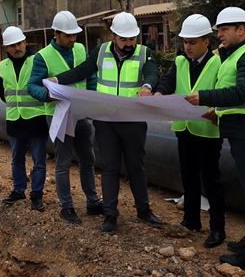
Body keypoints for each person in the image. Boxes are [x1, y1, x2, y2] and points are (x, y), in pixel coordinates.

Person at [53, 12, 164, 233]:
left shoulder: (144, 53)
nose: (129, 44)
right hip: (106, 122)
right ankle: (110, 215)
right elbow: (82, 71)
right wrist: (57, 80)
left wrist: (147, 87)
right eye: (124, 39)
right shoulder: (101, 52)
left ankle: (143, 211)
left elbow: (153, 73)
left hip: (133, 121)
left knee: (136, 167)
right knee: (110, 168)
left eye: (132, 39)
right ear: (114, 36)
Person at [185, 7, 245, 270]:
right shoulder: (234, 56)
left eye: (225, 29)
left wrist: (207, 98)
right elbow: (234, 95)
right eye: (219, 30)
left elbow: (244, 92)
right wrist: (218, 111)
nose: (220, 34)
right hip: (242, 133)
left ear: (242, 30)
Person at [154, 14, 226, 247]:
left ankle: (217, 229)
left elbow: (224, 92)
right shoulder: (180, 62)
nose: (188, 46)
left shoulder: (218, 63)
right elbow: (168, 81)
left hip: (207, 132)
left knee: (211, 179)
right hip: (184, 128)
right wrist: (158, 93)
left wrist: (216, 110)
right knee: (188, 176)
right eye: (185, 42)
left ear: (207, 41)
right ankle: (191, 220)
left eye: (193, 42)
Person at [28, 11, 103, 224]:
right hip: (58, 114)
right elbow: (32, 85)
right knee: (63, 162)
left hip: (81, 114)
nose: (72, 39)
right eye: (68, 36)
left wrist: (91, 96)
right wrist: (47, 95)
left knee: (88, 159)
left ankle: (92, 201)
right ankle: (66, 206)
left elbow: (90, 75)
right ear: (56, 34)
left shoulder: (80, 49)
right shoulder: (43, 56)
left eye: (74, 35)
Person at [0, 26, 49, 211]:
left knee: (39, 161)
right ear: (6, 48)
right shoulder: (2, 66)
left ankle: (37, 195)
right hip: (14, 120)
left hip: (36, 119)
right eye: (12, 45)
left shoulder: (37, 61)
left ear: (25, 42)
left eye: (19, 43)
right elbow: (2, 92)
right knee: (16, 159)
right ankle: (19, 190)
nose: (17, 48)